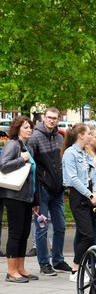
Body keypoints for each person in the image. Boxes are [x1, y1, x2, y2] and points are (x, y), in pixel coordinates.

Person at [27, 107, 72, 276]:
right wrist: (34, 193)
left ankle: (58, 260)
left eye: (55, 118)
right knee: (42, 228)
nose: (52, 120)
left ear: (58, 119)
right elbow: (30, 164)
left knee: (60, 226)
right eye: (49, 117)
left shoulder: (60, 137)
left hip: (58, 189)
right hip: (42, 189)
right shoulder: (35, 137)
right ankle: (44, 263)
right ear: (44, 118)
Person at [0, 116, 38, 283]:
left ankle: (20, 268)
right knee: (15, 234)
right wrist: (21, 160)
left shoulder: (27, 146)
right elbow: (3, 166)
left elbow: (33, 176)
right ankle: (11, 271)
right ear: (17, 129)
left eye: (30, 127)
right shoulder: (12, 145)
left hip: (27, 197)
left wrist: (35, 200)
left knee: (24, 234)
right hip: (13, 196)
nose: (29, 129)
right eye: (25, 127)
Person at [62, 123, 96, 281]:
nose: (92, 137)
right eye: (89, 134)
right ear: (81, 135)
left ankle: (85, 267)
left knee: (87, 234)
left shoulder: (86, 153)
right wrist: (89, 195)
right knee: (87, 234)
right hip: (79, 196)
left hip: (91, 196)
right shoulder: (70, 153)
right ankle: (75, 269)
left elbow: (94, 175)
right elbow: (72, 178)